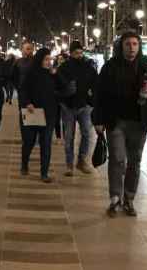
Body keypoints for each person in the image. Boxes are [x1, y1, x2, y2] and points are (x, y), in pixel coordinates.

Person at [93, 31, 147, 217]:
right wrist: (98, 120)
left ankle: (129, 199)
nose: (131, 47)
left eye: (134, 44)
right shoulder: (110, 67)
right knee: (117, 158)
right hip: (115, 121)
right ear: (121, 46)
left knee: (135, 161)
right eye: (127, 44)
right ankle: (115, 198)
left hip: (139, 122)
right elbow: (99, 94)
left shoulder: (146, 66)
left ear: (139, 46)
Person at [57, 41, 98, 176]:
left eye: (80, 53)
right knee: (69, 136)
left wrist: (91, 100)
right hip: (68, 106)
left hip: (85, 106)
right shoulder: (64, 67)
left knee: (87, 133)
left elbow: (96, 84)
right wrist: (65, 92)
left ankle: (82, 160)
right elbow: (57, 86)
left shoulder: (88, 67)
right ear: (71, 53)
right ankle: (69, 164)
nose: (79, 55)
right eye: (76, 53)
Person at [20, 48, 59, 182]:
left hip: (49, 114)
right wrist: (27, 103)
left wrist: (56, 74)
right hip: (33, 112)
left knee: (46, 143)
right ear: (40, 60)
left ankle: (44, 173)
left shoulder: (52, 74)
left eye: (50, 59)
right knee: (29, 141)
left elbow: (63, 88)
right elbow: (23, 89)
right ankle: (24, 163)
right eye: (46, 59)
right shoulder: (31, 73)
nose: (49, 62)